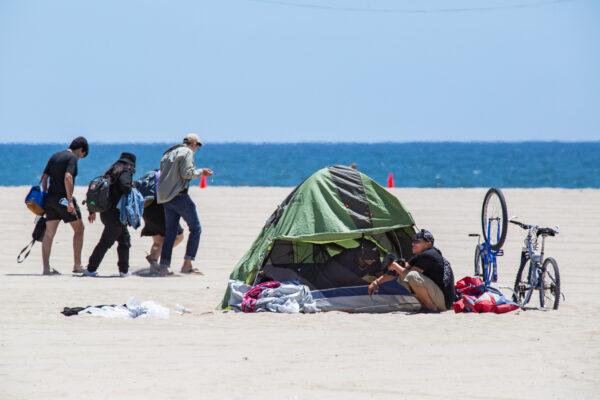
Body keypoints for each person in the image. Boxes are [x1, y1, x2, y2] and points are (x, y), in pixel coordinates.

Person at [154, 133, 213, 276]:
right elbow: (187, 173)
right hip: (179, 196)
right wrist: (202, 172)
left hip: (165, 197)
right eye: (198, 145)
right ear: (193, 143)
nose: (197, 148)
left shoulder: (169, 153)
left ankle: (164, 266)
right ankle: (187, 264)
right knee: (196, 228)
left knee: (171, 233)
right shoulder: (186, 152)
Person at [368, 229, 455, 312]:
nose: (413, 244)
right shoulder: (423, 255)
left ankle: (430, 307)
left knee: (412, 276)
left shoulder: (429, 255)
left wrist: (394, 265)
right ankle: (425, 305)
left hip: (444, 302)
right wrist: (376, 282)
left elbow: (408, 275)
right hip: (439, 296)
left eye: (417, 242)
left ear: (428, 243)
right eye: (413, 241)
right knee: (402, 276)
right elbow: (402, 269)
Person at [40, 137, 89, 275]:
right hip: (63, 200)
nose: (80, 158)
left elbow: (44, 178)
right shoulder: (72, 158)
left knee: (49, 234)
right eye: (82, 156)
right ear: (80, 150)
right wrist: (70, 201)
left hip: (50, 199)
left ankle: (45, 268)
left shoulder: (55, 156)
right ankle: (77, 265)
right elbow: (68, 177)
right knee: (79, 229)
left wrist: (44, 196)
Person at [83, 152, 136, 277]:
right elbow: (125, 186)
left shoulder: (112, 170)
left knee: (124, 241)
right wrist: (133, 186)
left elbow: (98, 190)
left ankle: (124, 271)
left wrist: (92, 210)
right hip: (116, 215)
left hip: (106, 212)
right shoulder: (126, 170)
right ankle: (90, 269)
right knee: (106, 242)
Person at [141, 199, 185, 267]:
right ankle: (154, 258)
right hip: (158, 208)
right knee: (179, 237)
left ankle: (153, 264)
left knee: (158, 241)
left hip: (146, 208)